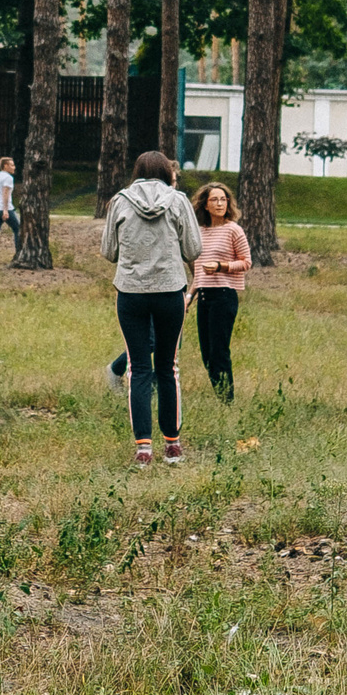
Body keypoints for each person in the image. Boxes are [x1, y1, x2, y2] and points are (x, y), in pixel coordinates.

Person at [102, 150, 202, 467]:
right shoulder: (178, 200)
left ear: (137, 171)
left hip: (131, 291)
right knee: (168, 367)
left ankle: (143, 448)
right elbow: (193, 249)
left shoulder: (119, 201)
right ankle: (172, 445)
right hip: (170, 290)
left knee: (138, 368)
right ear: (166, 172)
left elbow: (109, 251)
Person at [190, 181, 251, 401]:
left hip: (224, 296)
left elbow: (246, 262)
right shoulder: (200, 232)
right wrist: (189, 296)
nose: (219, 204)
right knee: (206, 354)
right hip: (204, 297)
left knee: (219, 351)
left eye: (223, 199)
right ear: (205, 205)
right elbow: (199, 271)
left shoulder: (233, 229)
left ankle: (227, 400)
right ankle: (221, 394)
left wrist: (221, 266)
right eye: (214, 200)